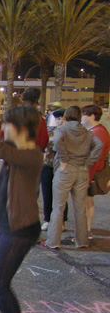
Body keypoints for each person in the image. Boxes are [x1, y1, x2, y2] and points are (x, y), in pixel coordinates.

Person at [0, 86, 43, 313]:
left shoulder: (30, 155)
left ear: (20, 128)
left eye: (7, 124)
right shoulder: (14, 149)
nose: (3, 128)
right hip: (8, 227)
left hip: (20, 230)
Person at [44, 106, 102, 249]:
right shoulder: (86, 132)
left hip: (65, 170)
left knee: (58, 207)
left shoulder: (62, 130)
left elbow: (57, 141)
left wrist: (63, 159)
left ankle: (53, 241)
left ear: (66, 116)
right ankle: (82, 241)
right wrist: (88, 162)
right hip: (82, 170)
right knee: (80, 208)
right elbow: (99, 145)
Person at [82, 104, 110, 238]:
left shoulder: (98, 132)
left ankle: (86, 230)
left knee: (87, 202)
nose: (82, 117)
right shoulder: (97, 131)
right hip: (91, 171)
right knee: (87, 202)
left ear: (92, 116)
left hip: (92, 172)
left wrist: (88, 177)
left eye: (84, 114)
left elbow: (95, 157)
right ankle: (85, 229)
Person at [39, 108, 68, 230]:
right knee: (47, 193)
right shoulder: (51, 131)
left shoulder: (69, 133)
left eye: (62, 118)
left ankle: (61, 221)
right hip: (48, 165)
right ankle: (47, 219)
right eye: (58, 118)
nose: (59, 120)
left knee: (61, 196)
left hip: (62, 167)